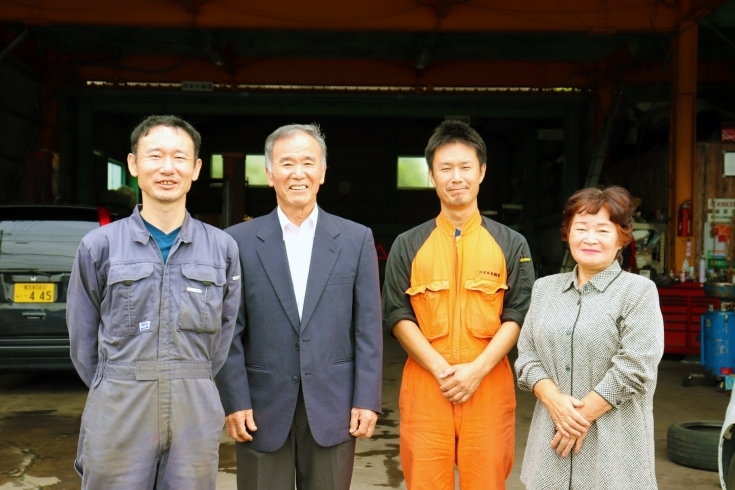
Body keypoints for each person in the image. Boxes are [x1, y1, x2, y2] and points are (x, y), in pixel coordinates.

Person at [67, 115, 241, 489]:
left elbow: (222, 339)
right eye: (155, 156)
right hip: (119, 406)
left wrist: (186, 377)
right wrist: (121, 381)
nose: (167, 168)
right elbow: (83, 343)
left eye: (179, 158)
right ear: (133, 164)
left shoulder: (222, 249)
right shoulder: (99, 246)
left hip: (194, 407)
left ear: (195, 169)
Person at [218, 123, 383, 490]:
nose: (297, 173)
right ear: (269, 172)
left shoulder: (355, 240)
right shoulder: (237, 242)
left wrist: (366, 400)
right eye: (286, 162)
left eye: (308, 162)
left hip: (334, 406)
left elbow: (368, 328)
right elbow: (229, 332)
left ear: (323, 172)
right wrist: (235, 400)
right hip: (259, 409)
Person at [382, 119, 535, 489]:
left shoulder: (511, 243)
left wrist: (477, 370)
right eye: (445, 168)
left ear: (481, 172)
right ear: (432, 175)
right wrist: (439, 369)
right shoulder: (407, 243)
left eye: (465, 167)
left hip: (487, 382)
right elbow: (396, 312)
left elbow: (518, 312)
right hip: (426, 384)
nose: (456, 177)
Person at [515, 186, 664, 489]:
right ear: (567, 233)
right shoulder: (545, 290)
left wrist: (573, 422)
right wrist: (555, 402)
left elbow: (636, 366)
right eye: (581, 228)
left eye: (602, 229)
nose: (590, 238)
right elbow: (527, 358)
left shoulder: (638, 292)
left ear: (622, 236)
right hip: (550, 450)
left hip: (613, 453)